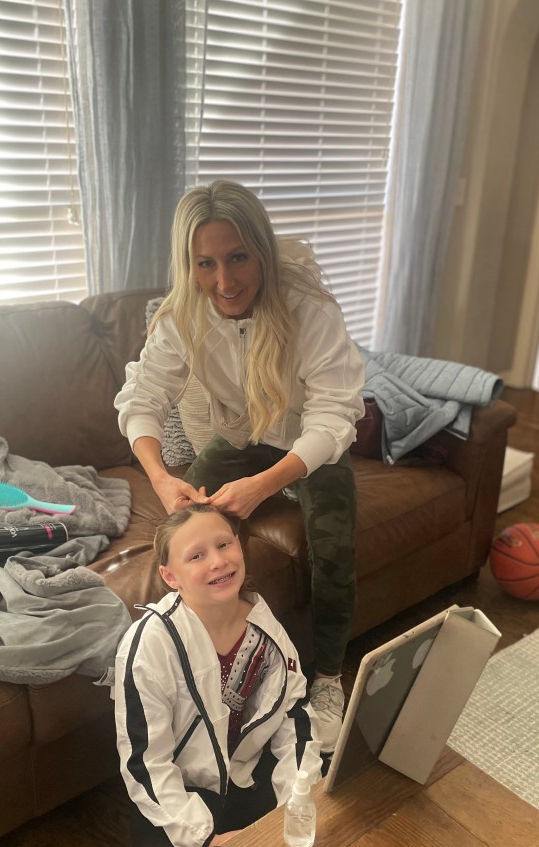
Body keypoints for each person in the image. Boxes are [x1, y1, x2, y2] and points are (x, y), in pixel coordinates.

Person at [114, 179, 364, 752]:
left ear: (262, 253)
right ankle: (201, 663)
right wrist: (160, 477)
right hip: (241, 437)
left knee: (333, 543)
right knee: (190, 526)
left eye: (238, 258)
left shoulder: (308, 307)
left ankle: (328, 678)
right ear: (190, 264)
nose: (224, 282)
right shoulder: (181, 317)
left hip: (308, 443)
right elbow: (143, 397)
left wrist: (266, 486)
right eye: (206, 263)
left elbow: (335, 413)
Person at [112, 503, 322, 847]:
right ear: (170, 577)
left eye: (224, 544)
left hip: (246, 777)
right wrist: (205, 838)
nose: (218, 561)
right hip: (178, 794)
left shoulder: (265, 626)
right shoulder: (148, 646)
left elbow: (294, 717)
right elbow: (145, 763)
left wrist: (298, 797)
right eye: (196, 556)